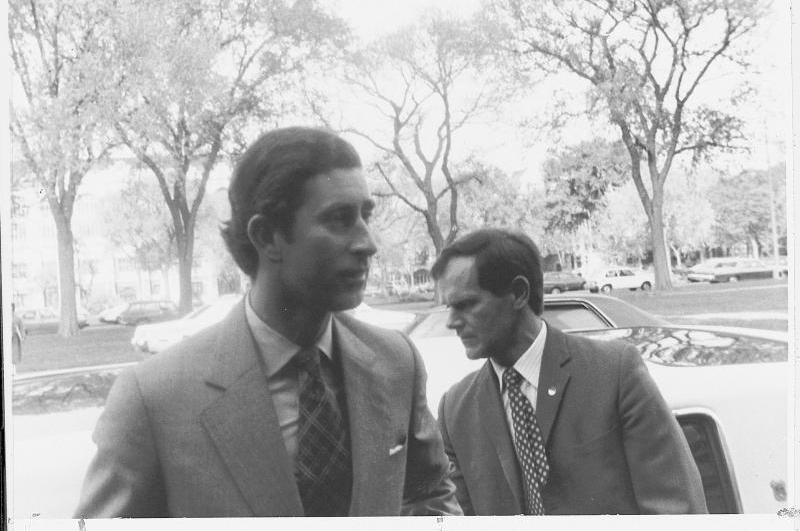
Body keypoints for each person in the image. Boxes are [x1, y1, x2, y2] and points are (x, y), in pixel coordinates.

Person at [75, 127, 461, 518]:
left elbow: (429, 493)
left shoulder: (396, 361)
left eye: (365, 215)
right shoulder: (154, 397)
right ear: (266, 236)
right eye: (339, 219)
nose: (368, 243)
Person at [432, 228, 707, 516]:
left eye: (466, 304)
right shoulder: (455, 409)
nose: (451, 322)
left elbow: (678, 510)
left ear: (518, 293)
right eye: (450, 307)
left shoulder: (614, 372)